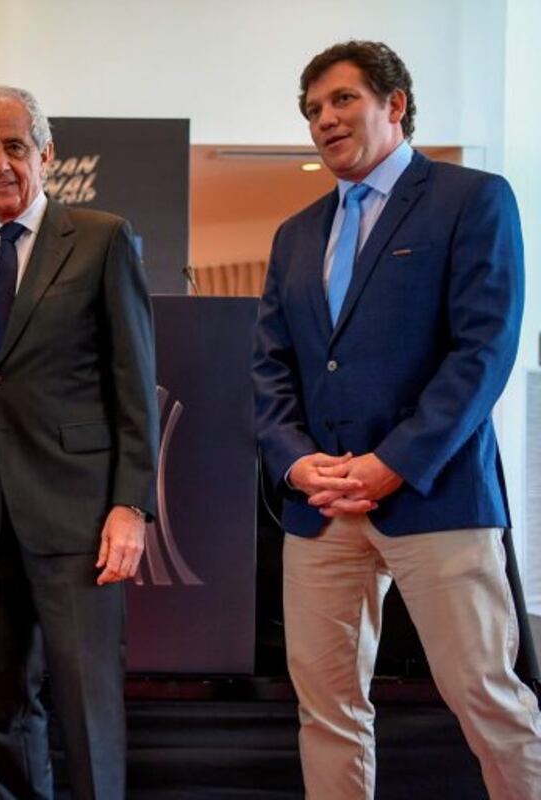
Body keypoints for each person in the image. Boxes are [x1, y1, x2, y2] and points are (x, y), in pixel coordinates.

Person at [252, 40, 541, 800]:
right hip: (320, 510)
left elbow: (483, 353)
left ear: (396, 105)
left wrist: (394, 463)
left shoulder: (472, 199)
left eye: (342, 100)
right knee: (329, 712)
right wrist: (295, 460)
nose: (325, 119)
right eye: (313, 109)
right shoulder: (294, 235)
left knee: (488, 700)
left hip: (436, 496)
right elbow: (271, 370)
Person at [0, 85, 159, 799]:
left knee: (87, 710)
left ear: (46, 154)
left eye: (14, 146)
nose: (0, 163)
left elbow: (134, 387)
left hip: (79, 518)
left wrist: (129, 507)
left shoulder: (102, 239)